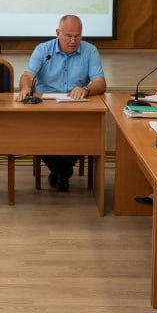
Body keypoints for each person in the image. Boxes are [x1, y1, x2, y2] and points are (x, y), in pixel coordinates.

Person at [17, 14, 106, 191]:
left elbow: (100, 83)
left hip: (76, 107)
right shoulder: (43, 50)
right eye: (68, 36)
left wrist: (86, 89)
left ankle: (59, 171)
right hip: (46, 108)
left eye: (78, 36)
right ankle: (63, 171)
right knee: (36, 131)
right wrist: (25, 88)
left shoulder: (90, 51)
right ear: (58, 32)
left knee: (87, 131)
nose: (73, 41)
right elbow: (27, 76)